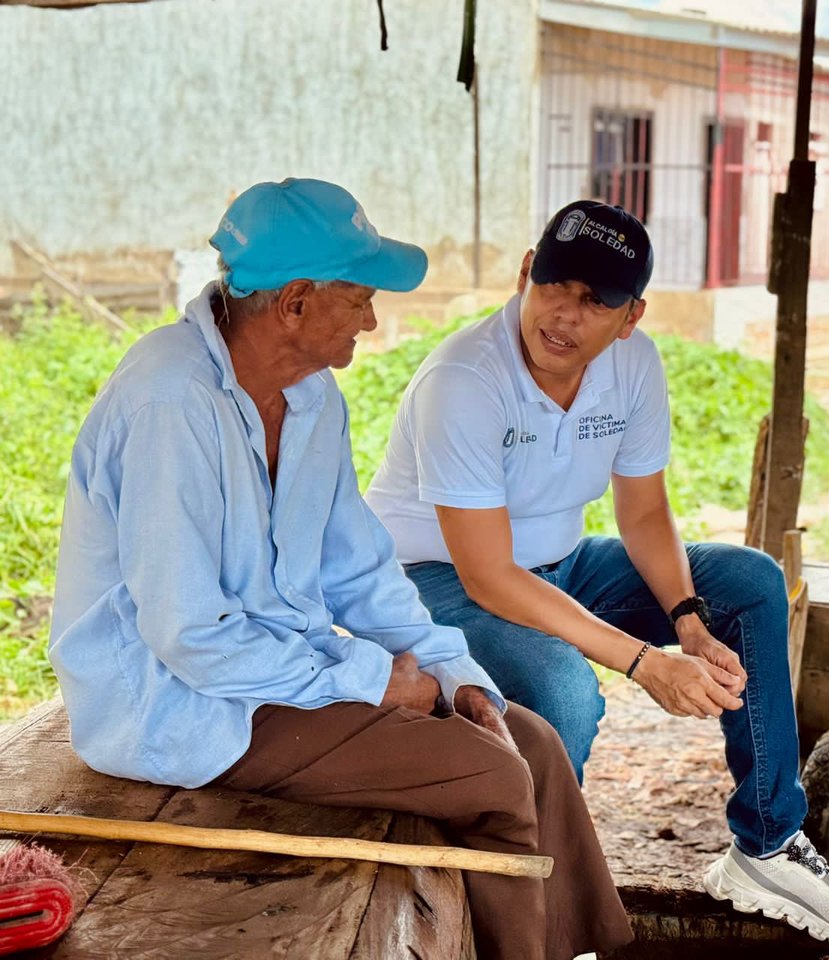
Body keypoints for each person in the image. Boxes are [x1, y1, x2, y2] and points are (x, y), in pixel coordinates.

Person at [48, 178, 632, 960]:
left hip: (275, 675)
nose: (372, 318)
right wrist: (372, 681)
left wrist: (451, 673)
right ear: (293, 302)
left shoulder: (311, 395)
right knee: (491, 778)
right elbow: (190, 637)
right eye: (357, 297)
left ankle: (576, 947)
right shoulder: (169, 401)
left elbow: (360, 570)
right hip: (179, 705)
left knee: (530, 741)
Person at [363, 199, 829, 948]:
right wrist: (644, 664)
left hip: (560, 562)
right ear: (524, 275)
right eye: (553, 286)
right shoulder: (465, 379)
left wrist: (688, 620)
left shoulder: (633, 367)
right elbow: (487, 576)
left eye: (596, 300)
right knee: (562, 688)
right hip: (433, 576)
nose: (565, 315)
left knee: (750, 582)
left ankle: (767, 843)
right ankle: (530, 909)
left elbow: (642, 515)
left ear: (630, 315)